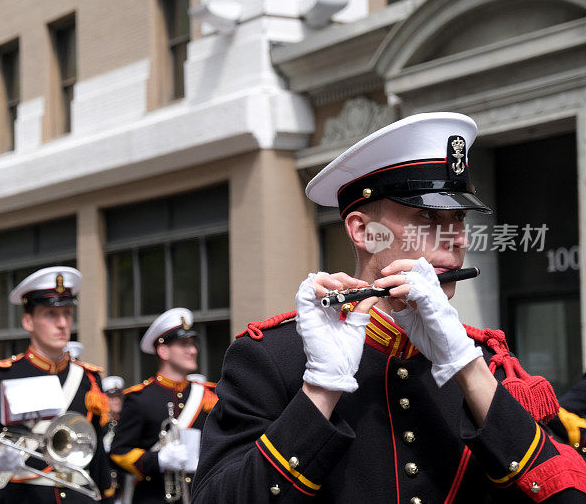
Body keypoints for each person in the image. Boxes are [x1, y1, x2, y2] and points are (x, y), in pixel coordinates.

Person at [192, 112, 586, 503]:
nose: (455, 239)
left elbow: (566, 495)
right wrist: (319, 392)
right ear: (363, 231)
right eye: (427, 217)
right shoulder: (274, 357)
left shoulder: (482, 362)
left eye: (459, 218)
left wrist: (468, 370)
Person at [0, 266, 114, 503]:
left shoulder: (87, 378)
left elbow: (96, 452)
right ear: (28, 321)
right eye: (51, 314)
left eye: (67, 313)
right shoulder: (3, 376)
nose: (62, 323)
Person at [110, 308, 218, 504]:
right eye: (184, 344)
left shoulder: (206, 395)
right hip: (154, 497)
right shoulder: (141, 398)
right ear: (163, 350)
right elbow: (119, 451)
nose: (193, 350)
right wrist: (157, 460)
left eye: (193, 344)